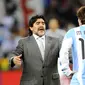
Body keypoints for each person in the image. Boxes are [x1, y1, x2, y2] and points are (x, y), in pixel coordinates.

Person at [9, 15, 61, 85]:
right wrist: (13, 59)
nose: (41, 25)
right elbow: (14, 54)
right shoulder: (23, 42)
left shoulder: (56, 41)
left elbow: (66, 55)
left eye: (43, 23)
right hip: (31, 82)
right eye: (38, 23)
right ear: (31, 28)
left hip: (51, 82)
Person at [59, 6, 85, 85]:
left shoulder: (72, 32)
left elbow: (63, 53)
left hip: (78, 78)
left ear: (79, 19)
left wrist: (67, 71)